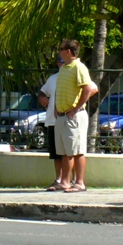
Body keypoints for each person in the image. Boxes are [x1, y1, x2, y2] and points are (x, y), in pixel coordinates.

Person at [54, 39, 98, 193]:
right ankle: (65, 182)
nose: (59, 51)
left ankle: (79, 182)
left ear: (68, 51)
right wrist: (55, 107)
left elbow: (88, 88)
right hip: (61, 116)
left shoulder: (79, 67)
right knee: (65, 152)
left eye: (61, 48)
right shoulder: (64, 68)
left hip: (74, 116)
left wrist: (76, 108)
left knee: (77, 150)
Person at [38, 56, 72, 191]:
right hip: (53, 120)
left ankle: (69, 179)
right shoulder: (53, 78)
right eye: (60, 60)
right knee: (56, 153)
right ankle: (58, 179)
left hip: (68, 119)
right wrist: (42, 99)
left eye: (64, 59)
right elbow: (42, 92)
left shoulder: (72, 76)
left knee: (69, 152)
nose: (62, 62)